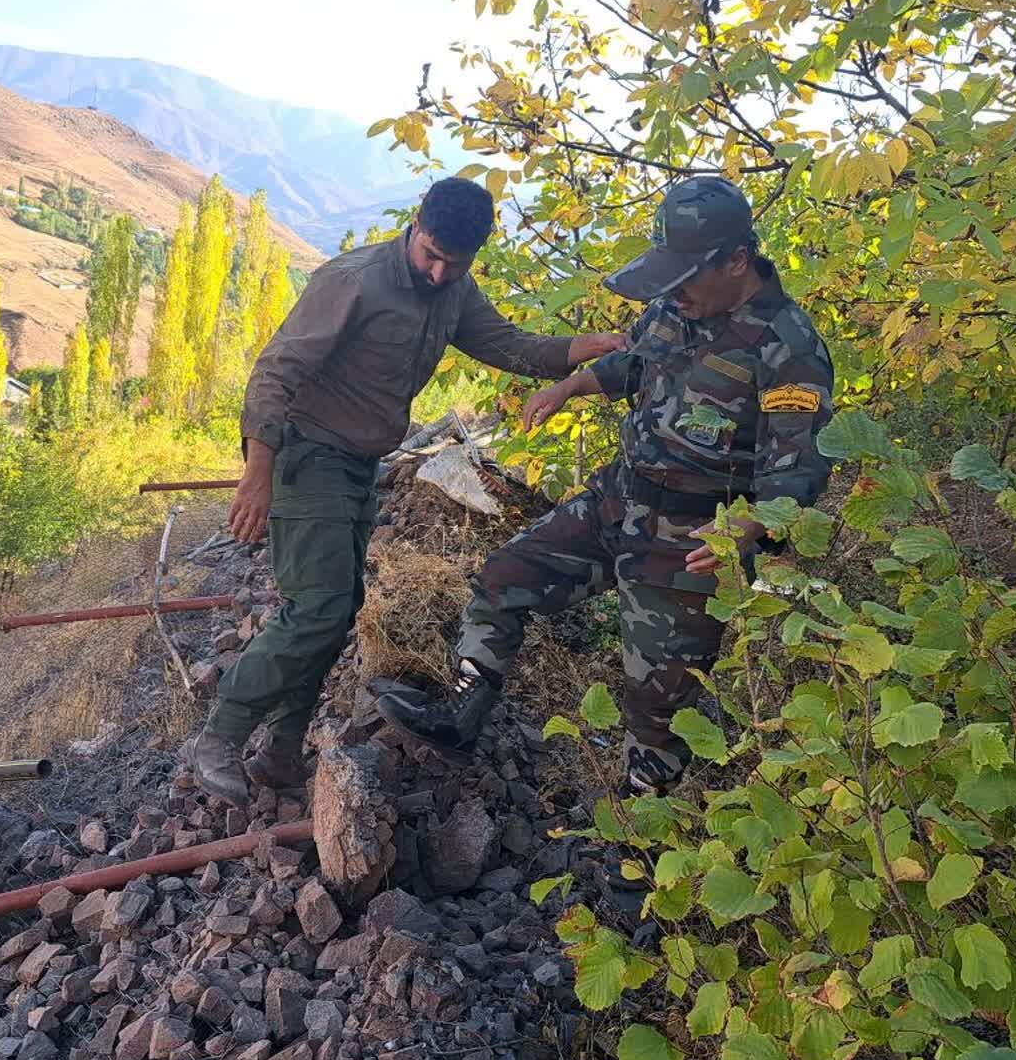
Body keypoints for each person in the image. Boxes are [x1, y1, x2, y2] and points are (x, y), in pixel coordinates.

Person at [376, 175, 834, 796]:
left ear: (736, 260)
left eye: (686, 277)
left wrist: (749, 526)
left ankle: (641, 851)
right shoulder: (678, 305)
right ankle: (461, 717)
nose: (673, 293)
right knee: (504, 578)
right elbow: (633, 364)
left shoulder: (789, 348)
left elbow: (799, 473)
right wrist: (570, 385)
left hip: (691, 541)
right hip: (617, 500)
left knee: (657, 705)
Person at [189, 177, 628, 804]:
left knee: (337, 610)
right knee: (318, 606)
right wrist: (256, 473)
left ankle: (281, 753)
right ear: (416, 225)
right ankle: (221, 734)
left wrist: (574, 353)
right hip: (307, 454)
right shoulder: (355, 280)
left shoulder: (455, 286)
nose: (439, 272)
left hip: (358, 465)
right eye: (431, 254)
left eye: (456, 263)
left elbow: (504, 343)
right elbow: (275, 370)